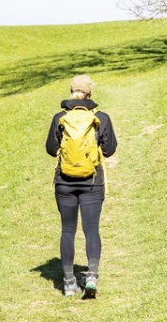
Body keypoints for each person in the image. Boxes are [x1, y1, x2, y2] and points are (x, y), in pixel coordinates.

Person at [46, 74, 116, 299]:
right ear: (90, 94)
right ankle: (92, 277)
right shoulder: (101, 118)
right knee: (91, 229)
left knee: (67, 230)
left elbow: (50, 148)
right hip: (92, 182)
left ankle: (68, 283)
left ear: (72, 92)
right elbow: (109, 150)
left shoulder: (60, 118)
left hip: (64, 182)